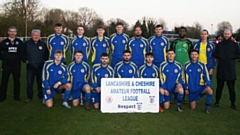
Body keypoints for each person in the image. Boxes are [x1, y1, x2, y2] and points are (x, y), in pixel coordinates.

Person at [213, 29, 240, 110]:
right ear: (223, 34)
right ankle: (217, 102)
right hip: (221, 69)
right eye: (225, 34)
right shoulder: (220, 45)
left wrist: (231, 57)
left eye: (228, 34)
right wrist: (220, 55)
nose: (226, 35)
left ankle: (233, 103)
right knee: (219, 88)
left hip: (230, 70)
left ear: (231, 34)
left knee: (231, 89)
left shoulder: (234, 45)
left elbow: (238, 54)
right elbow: (214, 54)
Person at [22, 29, 49, 103]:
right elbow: (23, 53)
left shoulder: (43, 44)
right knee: (29, 83)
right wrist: (26, 60)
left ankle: (41, 96)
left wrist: (44, 60)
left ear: (40, 36)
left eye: (37, 35)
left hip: (40, 67)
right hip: (30, 67)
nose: (36, 36)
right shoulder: (27, 43)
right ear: (32, 36)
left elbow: (46, 54)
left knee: (40, 82)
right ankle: (29, 97)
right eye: (34, 35)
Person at [184, 50, 213, 114]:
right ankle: (195, 98)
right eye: (192, 54)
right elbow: (184, 78)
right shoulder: (186, 65)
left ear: (198, 55)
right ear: (190, 55)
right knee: (193, 108)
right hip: (191, 89)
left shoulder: (202, 65)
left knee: (209, 90)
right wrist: (186, 88)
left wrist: (208, 85)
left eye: (195, 54)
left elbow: (207, 76)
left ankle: (207, 107)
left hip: (200, 87)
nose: (194, 56)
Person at [0, 26, 24, 102]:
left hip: (16, 65)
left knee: (17, 81)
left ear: (16, 33)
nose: (12, 33)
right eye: (11, 31)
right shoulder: (4, 42)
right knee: (4, 81)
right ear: (8, 32)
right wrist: (3, 58)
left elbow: (22, 53)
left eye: (14, 31)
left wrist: (21, 59)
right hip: (6, 65)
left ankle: (16, 97)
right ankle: (2, 96)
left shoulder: (20, 42)